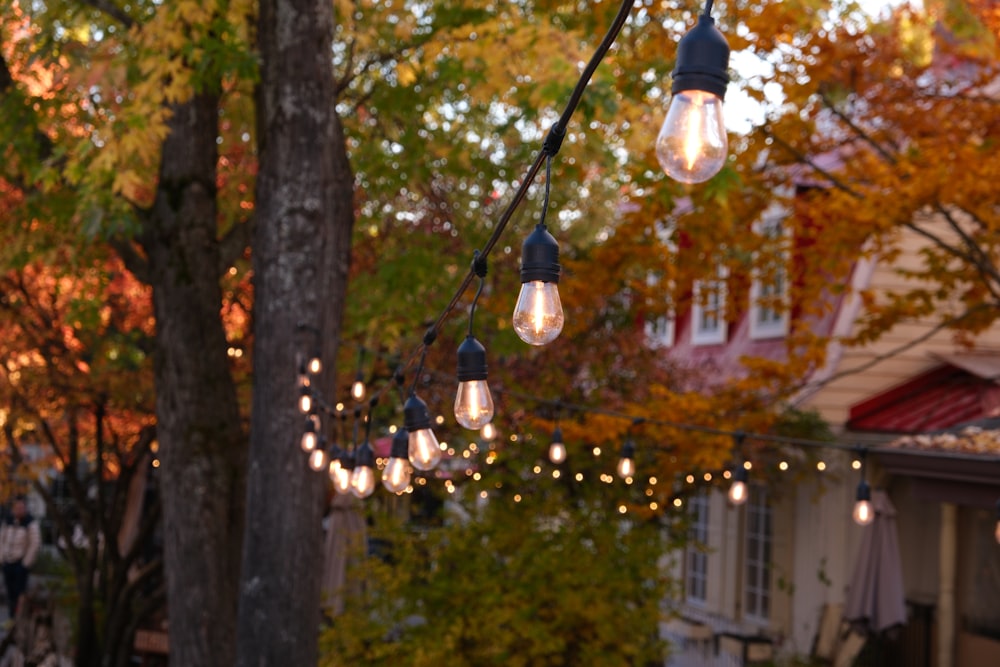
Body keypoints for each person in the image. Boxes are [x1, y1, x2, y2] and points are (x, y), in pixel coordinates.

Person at [0, 495, 41, 618]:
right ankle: (11, 617)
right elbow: (2, 539)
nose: (18, 510)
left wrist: (25, 563)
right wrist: (2, 558)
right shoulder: (8, 521)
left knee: (20, 594)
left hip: (20, 563)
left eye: (21, 508)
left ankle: (19, 618)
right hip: (8, 561)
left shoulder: (30, 523)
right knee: (10, 592)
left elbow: (35, 543)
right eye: (16, 508)